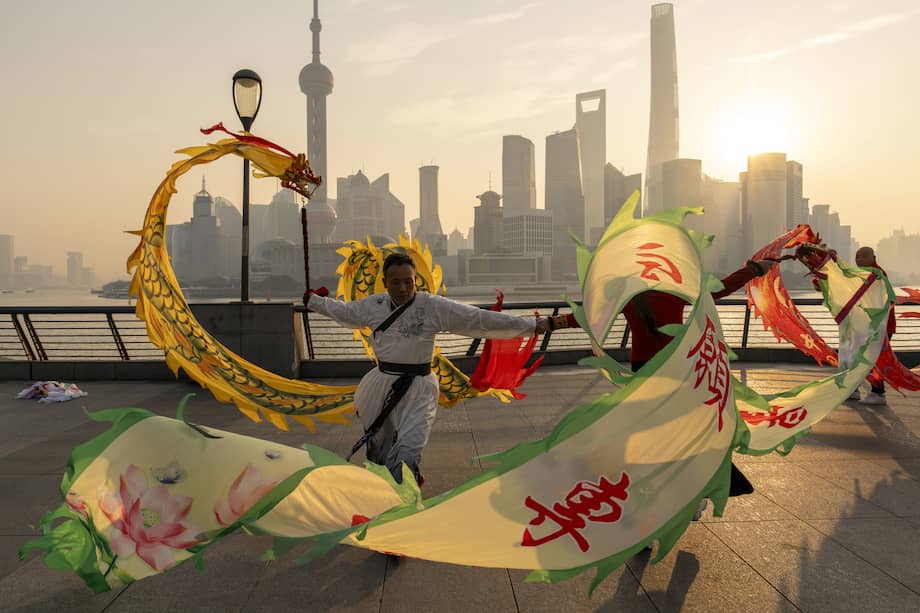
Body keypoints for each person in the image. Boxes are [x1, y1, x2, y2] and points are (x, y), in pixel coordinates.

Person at [548, 257, 777, 520]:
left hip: (644, 374)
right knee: (685, 435)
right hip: (675, 370)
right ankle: (693, 494)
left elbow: (586, 317)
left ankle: (658, 503)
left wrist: (548, 325)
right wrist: (754, 270)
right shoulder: (673, 291)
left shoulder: (626, 298)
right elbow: (719, 289)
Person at [306, 252, 551, 484]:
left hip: (420, 387)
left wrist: (532, 325)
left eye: (408, 282)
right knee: (379, 449)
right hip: (381, 385)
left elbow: (477, 319)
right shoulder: (374, 305)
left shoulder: (432, 306)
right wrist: (314, 301)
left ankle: (406, 499)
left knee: (409, 449)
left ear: (416, 280)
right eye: (395, 282)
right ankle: (381, 500)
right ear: (385, 282)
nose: (403, 289)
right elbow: (343, 311)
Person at [852, 246, 897, 405]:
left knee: (874, 360)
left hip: (881, 327)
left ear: (873, 258)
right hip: (869, 326)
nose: (859, 260)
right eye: (857, 257)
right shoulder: (862, 275)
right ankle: (853, 388)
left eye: (863, 257)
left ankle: (878, 393)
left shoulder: (877, 275)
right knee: (858, 356)